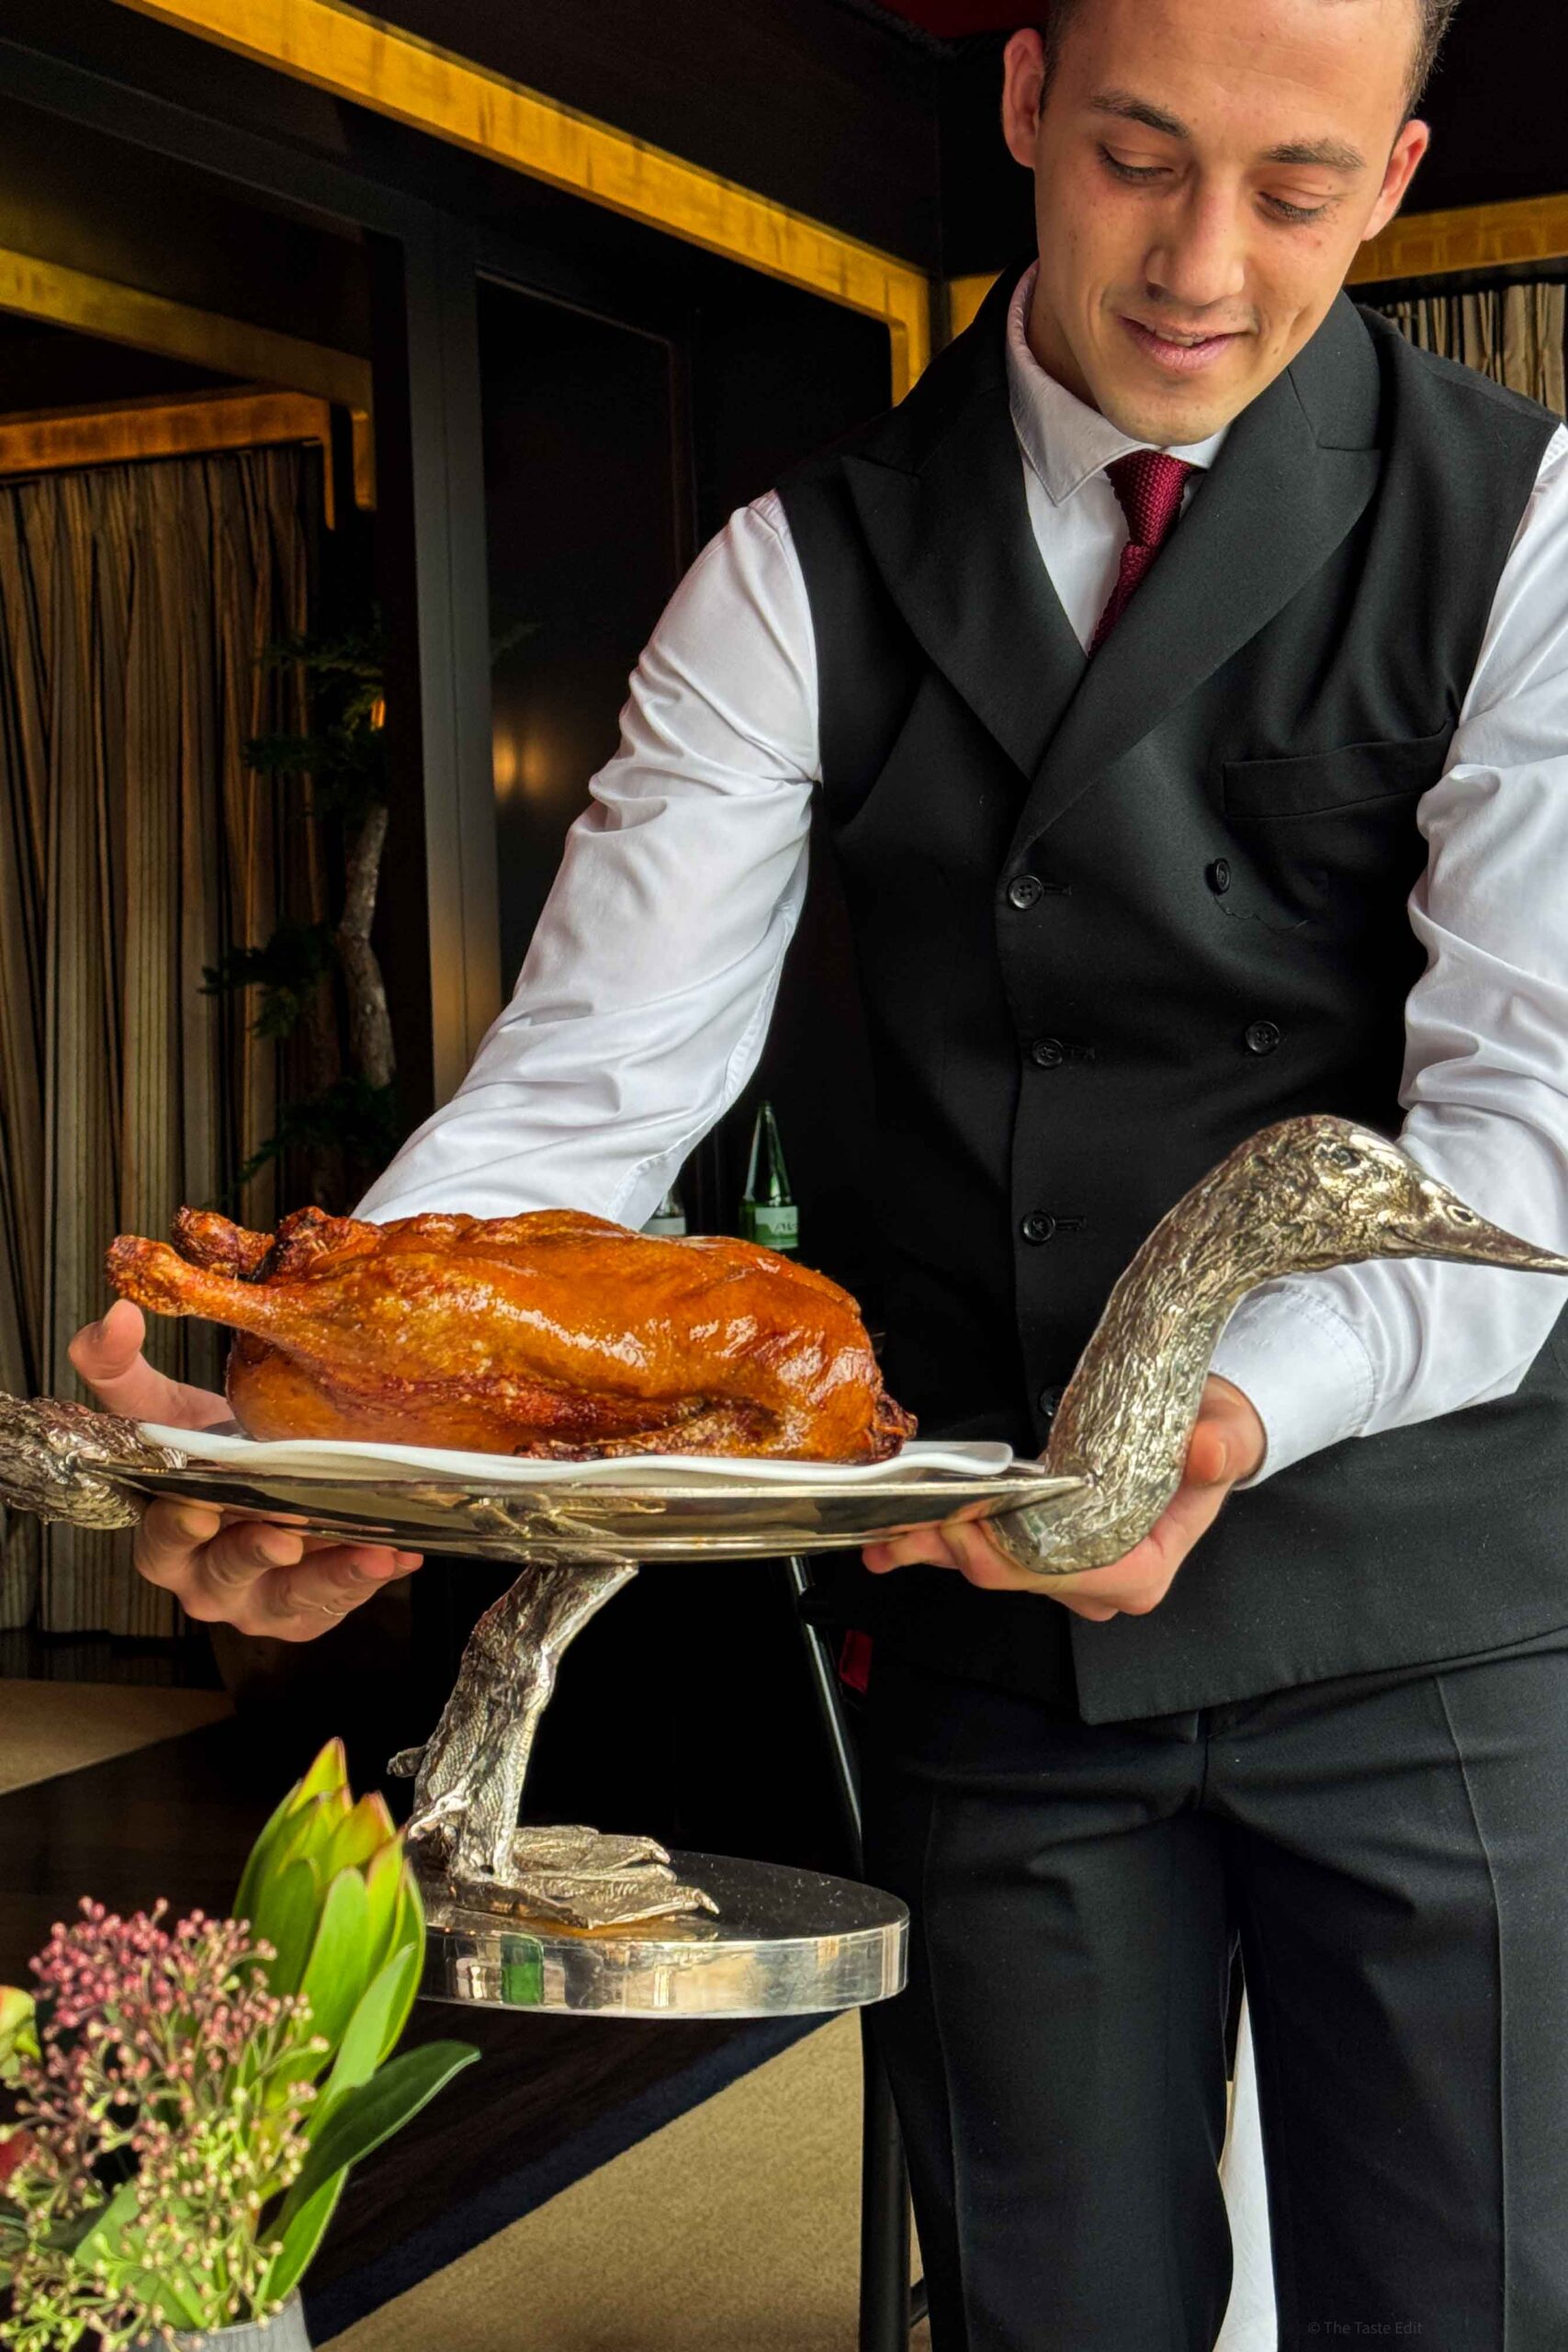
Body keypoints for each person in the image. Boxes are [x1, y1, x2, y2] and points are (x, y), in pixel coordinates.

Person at [73, 0, 1568, 2340]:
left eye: (1287, 193)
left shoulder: (1522, 526)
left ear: (1390, 177)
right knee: (1041, 2301)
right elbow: (583, 1094)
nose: (1196, 261)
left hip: (1434, 1603)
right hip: (978, 1605)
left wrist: (1214, 1409)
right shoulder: (795, 566)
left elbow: (1512, 1143)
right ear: (1017, 105)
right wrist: (343, 1419)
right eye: (1130, 158)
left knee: (1473, 2294)